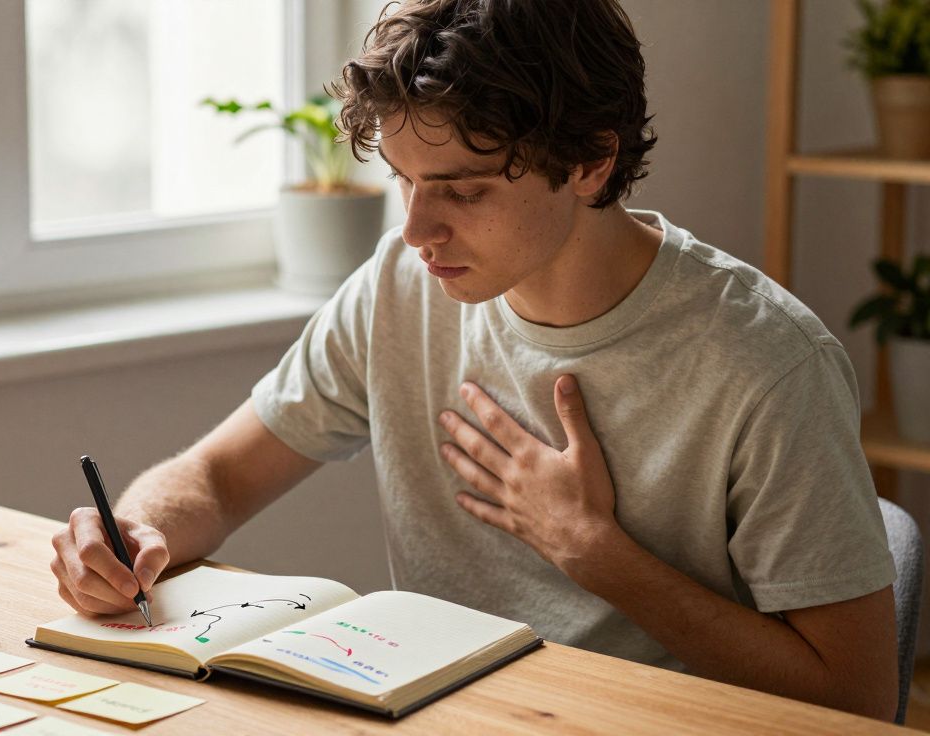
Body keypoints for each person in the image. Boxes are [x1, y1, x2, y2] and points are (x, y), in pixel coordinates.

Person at [49, 0, 898, 720]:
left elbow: (855, 698)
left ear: (592, 163)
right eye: (405, 182)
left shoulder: (767, 363)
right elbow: (219, 479)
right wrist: (136, 531)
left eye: (462, 190)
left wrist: (597, 555)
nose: (417, 231)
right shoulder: (399, 286)